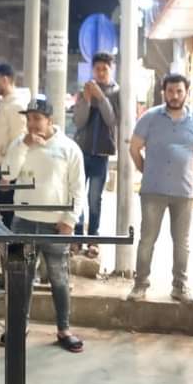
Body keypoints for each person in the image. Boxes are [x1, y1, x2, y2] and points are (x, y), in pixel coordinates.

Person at [0, 99, 86, 352]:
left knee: (59, 278)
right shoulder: (19, 143)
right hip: (22, 222)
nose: (32, 124)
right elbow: (7, 174)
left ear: (50, 120)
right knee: (20, 278)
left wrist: (70, 220)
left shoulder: (69, 148)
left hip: (55, 225)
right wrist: (23, 146)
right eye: (28, 119)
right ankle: (18, 326)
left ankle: (64, 329)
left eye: (37, 118)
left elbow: (78, 188)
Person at [126, 74, 193, 303]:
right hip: (153, 190)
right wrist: (145, 170)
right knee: (147, 240)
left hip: (183, 192)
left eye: (179, 91)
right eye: (170, 91)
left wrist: (187, 170)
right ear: (164, 92)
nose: (175, 96)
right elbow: (134, 148)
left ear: (187, 93)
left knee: (182, 242)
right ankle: (140, 284)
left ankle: (180, 286)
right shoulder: (150, 118)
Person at [72, 52, 120, 250]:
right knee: (76, 196)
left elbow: (111, 120)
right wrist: (86, 100)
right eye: (97, 69)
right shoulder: (84, 91)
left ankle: (93, 237)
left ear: (111, 70)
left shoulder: (116, 93)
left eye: (104, 69)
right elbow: (79, 122)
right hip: (81, 153)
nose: (100, 73)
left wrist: (101, 97)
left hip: (101, 154)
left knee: (94, 199)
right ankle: (77, 237)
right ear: (92, 70)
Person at [0, 64, 29, 227]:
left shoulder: (16, 105)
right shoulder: (5, 104)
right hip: (2, 167)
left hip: (9, 170)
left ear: (5, 80)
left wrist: (8, 175)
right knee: (5, 213)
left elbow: (20, 142)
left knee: (9, 214)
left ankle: (12, 243)